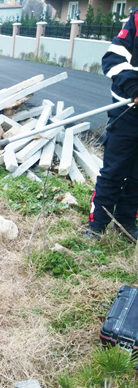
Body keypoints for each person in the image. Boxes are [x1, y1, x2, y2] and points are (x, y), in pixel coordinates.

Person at [87, 10, 138, 240]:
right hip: (127, 111)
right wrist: (134, 88)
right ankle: (97, 225)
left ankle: (126, 224)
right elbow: (112, 59)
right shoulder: (137, 20)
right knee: (114, 171)